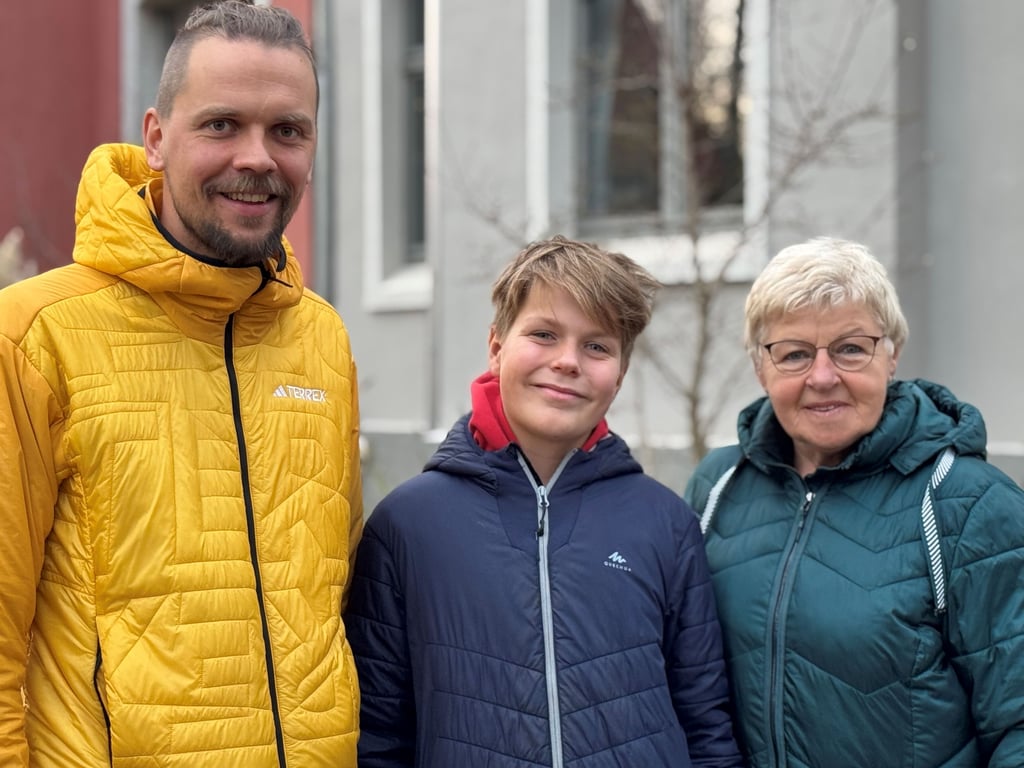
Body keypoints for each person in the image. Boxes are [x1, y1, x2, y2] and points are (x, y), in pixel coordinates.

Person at [0, 3, 363, 766]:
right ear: (157, 138)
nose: (258, 157)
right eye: (222, 124)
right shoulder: (34, 334)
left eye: (288, 130)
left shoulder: (321, 339)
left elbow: (333, 601)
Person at [345, 235, 743, 768]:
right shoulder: (407, 525)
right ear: (496, 347)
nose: (567, 361)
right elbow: (377, 735)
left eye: (597, 346)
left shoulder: (666, 523)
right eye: (544, 334)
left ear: (620, 375)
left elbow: (706, 724)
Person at [684, 236, 1024, 767]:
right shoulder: (718, 487)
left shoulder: (969, 505)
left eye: (850, 348)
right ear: (760, 368)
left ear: (891, 355)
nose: (823, 377)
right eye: (794, 354)